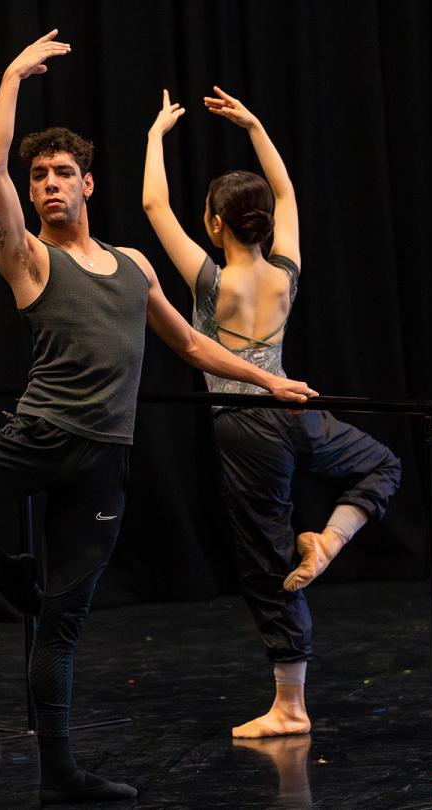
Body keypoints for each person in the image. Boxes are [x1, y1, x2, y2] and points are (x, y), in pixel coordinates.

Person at [0, 31, 317, 804]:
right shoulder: (27, 259)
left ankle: (60, 779)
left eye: (61, 173)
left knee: (63, 628)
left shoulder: (133, 265)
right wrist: (13, 73)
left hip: (103, 462)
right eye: (39, 176)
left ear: (88, 182)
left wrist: (267, 384)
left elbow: (189, 341)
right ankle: (13, 578)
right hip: (38, 438)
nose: (49, 184)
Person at [142, 88, 401, 738]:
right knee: (382, 464)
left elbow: (152, 205)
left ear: (216, 224)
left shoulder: (209, 280)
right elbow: (285, 193)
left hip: (245, 427)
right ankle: (334, 539)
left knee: (266, 559)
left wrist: (154, 138)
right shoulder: (286, 271)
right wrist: (256, 123)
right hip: (295, 409)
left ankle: (290, 705)